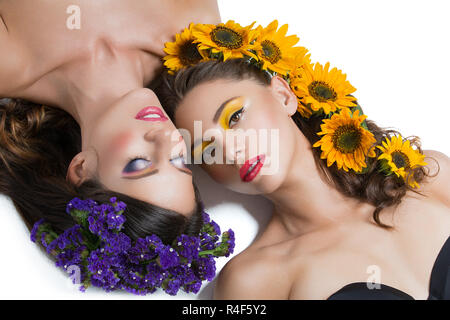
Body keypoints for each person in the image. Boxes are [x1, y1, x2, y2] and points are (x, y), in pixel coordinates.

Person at [155, 20, 450, 299]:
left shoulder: (428, 177)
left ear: (284, 96)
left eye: (235, 117)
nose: (231, 152)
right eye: (208, 148)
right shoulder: (253, 282)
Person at [0, 1, 222, 243]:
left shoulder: (9, 65)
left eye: (139, 163)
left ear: (81, 168)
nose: (162, 138)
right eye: (178, 160)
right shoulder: (196, 32)